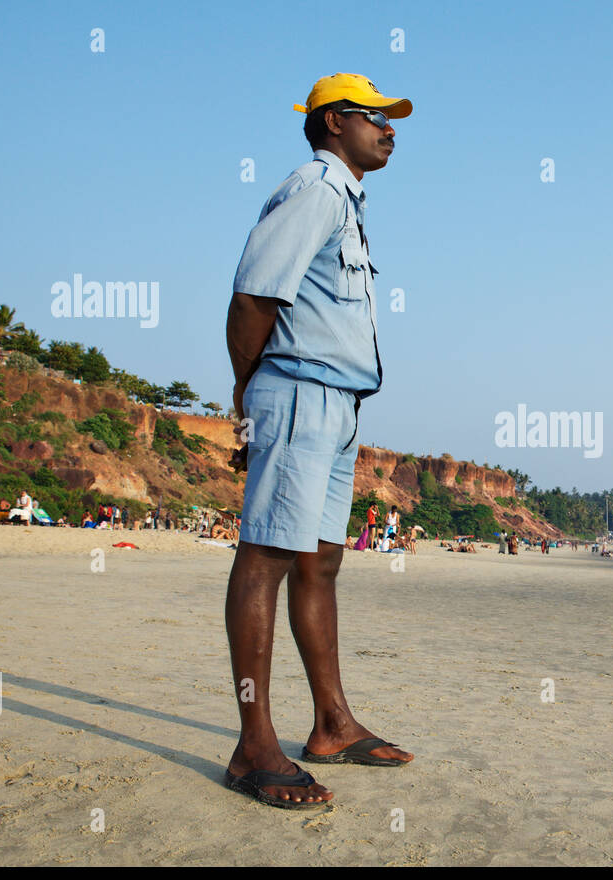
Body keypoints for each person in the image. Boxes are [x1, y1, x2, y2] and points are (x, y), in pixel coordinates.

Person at [222, 72, 414, 809]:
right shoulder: (315, 187)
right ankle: (253, 747)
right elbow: (251, 296)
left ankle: (332, 724)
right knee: (267, 553)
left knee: (321, 559)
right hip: (296, 392)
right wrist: (247, 400)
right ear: (335, 122)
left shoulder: (348, 202)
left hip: (337, 403)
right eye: (377, 118)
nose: (390, 130)